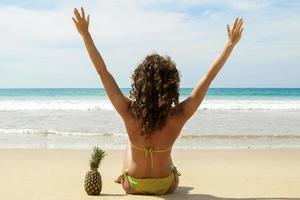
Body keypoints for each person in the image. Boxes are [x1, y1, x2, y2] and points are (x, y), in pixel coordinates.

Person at [72, 7, 244, 195]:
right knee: (165, 153)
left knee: (131, 141)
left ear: (140, 83)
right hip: (166, 186)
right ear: (171, 86)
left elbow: (102, 72)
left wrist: (86, 35)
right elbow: (208, 78)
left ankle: (125, 173)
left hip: (133, 186)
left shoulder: (128, 112)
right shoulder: (178, 115)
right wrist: (230, 45)